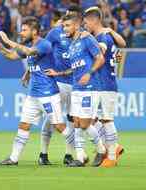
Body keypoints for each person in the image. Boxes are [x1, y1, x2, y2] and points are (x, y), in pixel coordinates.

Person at [0, 16, 75, 166]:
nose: (21, 33)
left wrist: (7, 40)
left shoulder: (44, 44)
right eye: (21, 30)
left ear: (35, 31)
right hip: (33, 95)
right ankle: (13, 158)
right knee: (24, 125)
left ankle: (77, 154)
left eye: (24, 30)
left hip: (48, 94)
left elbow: (30, 52)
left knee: (59, 126)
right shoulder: (30, 44)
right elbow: (12, 55)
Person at [48, 12, 105, 167]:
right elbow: (74, 68)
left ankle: (101, 149)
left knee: (85, 124)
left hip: (90, 87)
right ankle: (80, 157)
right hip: (76, 88)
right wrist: (58, 73)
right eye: (63, 26)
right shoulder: (72, 44)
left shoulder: (87, 39)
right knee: (77, 123)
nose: (64, 29)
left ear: (77, 25)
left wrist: (89, 73)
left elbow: (100, 58)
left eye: (67, 26)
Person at [36, 5, 82, 166]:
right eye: (67, 16)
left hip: (76, 84)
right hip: (58, 82)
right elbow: (41, 51)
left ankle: (68, 154)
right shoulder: (56, 32)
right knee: (52, 117)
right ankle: (43, 153)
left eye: (72, 17)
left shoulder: (84, 36)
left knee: (71, 119)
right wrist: (29, 71)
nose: (67, 19)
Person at [83, 6, 124, 168]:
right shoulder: (106, 35)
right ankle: (114, 146)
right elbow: (117, 51)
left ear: (94, 21)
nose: (85, 26)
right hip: (102, 83)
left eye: (86, 23)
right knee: (93, 119)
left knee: (107, 119)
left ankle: (112, 156)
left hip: (106, 83)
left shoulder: (102, 38)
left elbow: (99, 54)